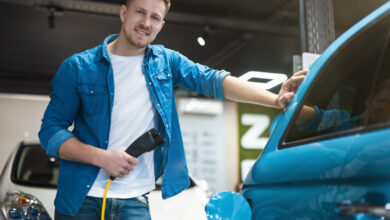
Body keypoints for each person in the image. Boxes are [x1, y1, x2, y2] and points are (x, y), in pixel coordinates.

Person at [38, 0, 308, 218]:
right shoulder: (77, 67)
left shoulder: (166, 62)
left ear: (161, 24)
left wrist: (275, 99)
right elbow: (50, 132)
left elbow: (214, 80)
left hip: (136, 202)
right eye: (140, 12)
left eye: (155, 17)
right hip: (82, 201)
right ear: (123, 12)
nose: (146, 23)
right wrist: (103, 158)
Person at [295, 79, 390, 134]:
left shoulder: (384, 138)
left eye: (389, 103)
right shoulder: (342, 119)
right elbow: (312, 117)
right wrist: (281, 101)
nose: (384, 107)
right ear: (368, 101)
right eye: (381, 101)